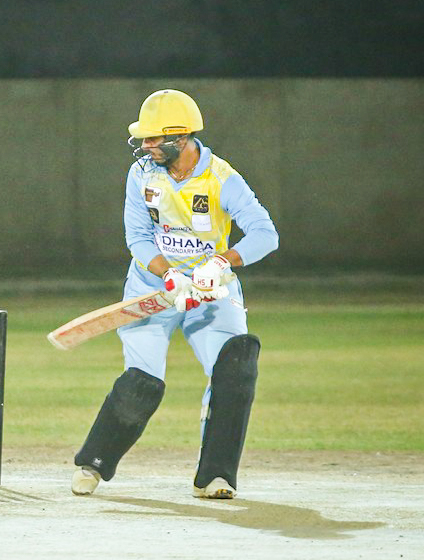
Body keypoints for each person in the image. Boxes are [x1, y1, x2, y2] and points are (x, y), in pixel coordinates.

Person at [71, 89, 278, 498]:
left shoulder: (222, 178)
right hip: (153, 288)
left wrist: (220, 263)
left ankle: (215, 476)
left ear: (180, 137)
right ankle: (93, 464)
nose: (145, 146)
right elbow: (137, 236)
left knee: (235, 367)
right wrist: (168, 275)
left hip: (210, 292)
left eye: (152, 138)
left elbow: (265, 234)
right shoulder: (141, 174)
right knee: (143, 379)